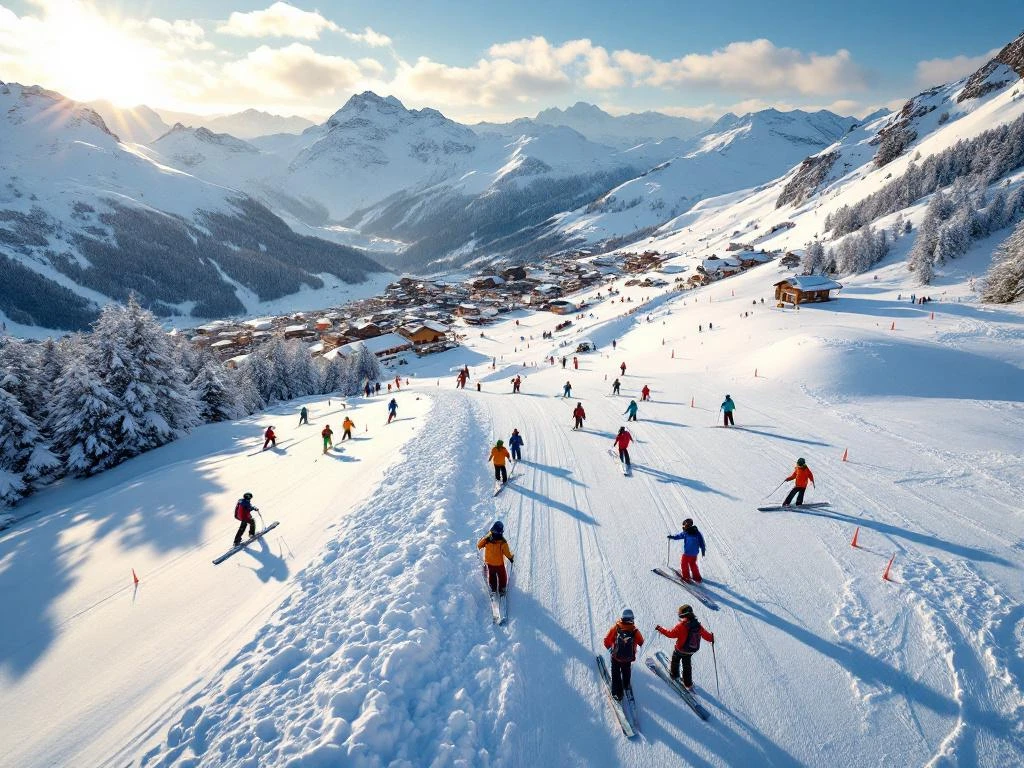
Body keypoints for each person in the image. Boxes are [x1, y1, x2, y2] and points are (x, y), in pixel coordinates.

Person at [654, 605, 715, 691]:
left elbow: (670, 634)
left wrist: (660, 629)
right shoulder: (697, 625)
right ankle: (688, 684)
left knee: (675, 661)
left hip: (680, 650)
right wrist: (711, 637)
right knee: (687, 666)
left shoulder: (681, 626)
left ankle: (674, 675)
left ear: (683, 615)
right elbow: (707, 636)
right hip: (691, 651)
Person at [603, 609, 645, 701]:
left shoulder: (616, 627)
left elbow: (606, 640)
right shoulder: (635, 631)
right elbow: (642, 642)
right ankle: (626, 685)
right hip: (628, 658)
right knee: (626, 672)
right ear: (631, 619)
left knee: (616, 674)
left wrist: (611, 650)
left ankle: (617, 694)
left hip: (616, 657)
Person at [477, 521, 514, 595]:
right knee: (502, 576)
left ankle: (493, 588)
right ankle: (502, 589)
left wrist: (484, 539)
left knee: (492, 575)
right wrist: (510, 557)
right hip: (499, 564)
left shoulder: (487, 539)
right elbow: (506, 552)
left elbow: (479, 545)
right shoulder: (503, 542)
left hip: (489, 563)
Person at [667, 518, 706, 582]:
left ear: (687, 525)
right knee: (693, 564)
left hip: (687, 553)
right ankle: (697, 577)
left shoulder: (686, 532)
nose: (684, 526)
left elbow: (678, 536)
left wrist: (672, 537)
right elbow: (702, 542)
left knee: (684, 563)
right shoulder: (697, 532)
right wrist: (703, 550)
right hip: (694, 553)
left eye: (684, 525)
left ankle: (686, 577)